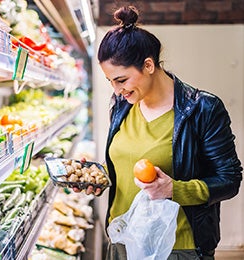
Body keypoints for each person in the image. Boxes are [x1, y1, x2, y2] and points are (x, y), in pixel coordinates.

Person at [77, 5, 243, 259]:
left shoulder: (202, 108)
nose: (116, 89)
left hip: (176, 247)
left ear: (148, 65)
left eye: (121, 80)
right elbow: (127, 159)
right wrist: (99, 176)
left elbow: (230, 179)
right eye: (110, 81)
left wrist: (173, 190)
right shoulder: (122, 105)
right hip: (122, 238)